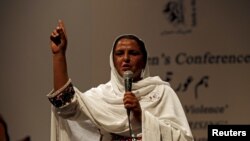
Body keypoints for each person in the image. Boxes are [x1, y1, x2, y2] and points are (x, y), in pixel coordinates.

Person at [47, 20, 194, 141]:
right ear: (112, 61)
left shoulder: (162, 93)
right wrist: (59, 55)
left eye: (133, 53)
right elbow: (65, 105)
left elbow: (183, 139)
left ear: (144, 62)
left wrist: (141, 116)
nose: (126, 59)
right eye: (119, 53)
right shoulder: (101, 96)